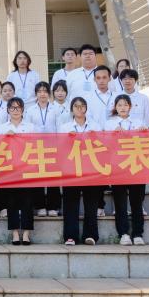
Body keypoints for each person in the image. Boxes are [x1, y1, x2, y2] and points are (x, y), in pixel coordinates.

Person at [104, 94, 147, 245]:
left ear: (130, 106)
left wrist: (144, 132)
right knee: (120, 203)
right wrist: (112, 135)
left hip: (136, 166)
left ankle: (138, 234)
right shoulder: (109, 124)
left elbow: (146, 143)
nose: (122, 108)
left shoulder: (138, 122)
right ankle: (123, 233)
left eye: (125, 105)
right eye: (119, 105)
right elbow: (105, 144)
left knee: (137, 202)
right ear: (115, 107)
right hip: (118, 167)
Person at [59, 97, 102, 245]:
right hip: (71, 169)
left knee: (91, 202)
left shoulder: (95, 126)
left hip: (91, 168)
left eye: (82, 106)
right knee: (70, 203)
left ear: (86, 108)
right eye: (76, 106)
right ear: (71, 109)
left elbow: (103, 146)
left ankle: (90, 235)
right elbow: (60, 148)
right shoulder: (65, 127)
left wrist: (95, 138)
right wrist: (67, 138)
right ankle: (70, 236)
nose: (79, 108)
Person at [0, 97, 36, 245]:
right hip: (9, 168)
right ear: (8, 110)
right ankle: (14, 233)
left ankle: (26, 233)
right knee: (11, 201)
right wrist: (5, 138)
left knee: (28, 200)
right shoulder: (2, 128)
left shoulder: (31, 127)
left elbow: (36, 145)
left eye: (18, 107)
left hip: (27, 168)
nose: (15, 110)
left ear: (23, 110)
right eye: (12, 108)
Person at [26, 82, 61, 217]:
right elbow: (28, 129)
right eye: (39, 91)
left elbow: (59, 128)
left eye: (45, 91)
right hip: (36, 148)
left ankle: (53, 207)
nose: (42, 94)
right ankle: (40, 206)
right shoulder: (30, 110)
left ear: (49, 94)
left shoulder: (55, 109)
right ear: (36, 94)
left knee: (53, 177)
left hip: (52, 147)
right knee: (38, 177)